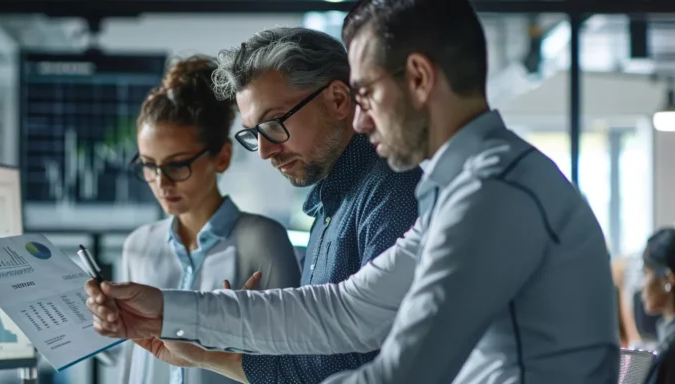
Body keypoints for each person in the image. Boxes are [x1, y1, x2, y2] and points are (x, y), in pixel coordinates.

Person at [84, 0, 619, 382]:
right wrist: (168, 310)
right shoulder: (462, 188)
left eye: (364, 93)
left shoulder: (493, 195)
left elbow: (399, 371)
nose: (360, 120)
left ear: (418, 79)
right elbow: (344, 310)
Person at [138, 27, 423, 383]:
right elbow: (312, 363)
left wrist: (225, 336)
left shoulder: (392, 193)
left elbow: (363, 363)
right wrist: (222, 343)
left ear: (337, 99)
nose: (264, 150)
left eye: (273, 124)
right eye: (253, 133)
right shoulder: (329, 208)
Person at [112, 55, 302, 384]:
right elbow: (130, 363)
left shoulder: (263, 241)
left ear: (222, 157)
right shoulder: (137, 246)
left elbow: (290, 365)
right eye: (148, 165)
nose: (161, 182)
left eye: (176, 165)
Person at [641, 228, 675, 383]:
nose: (642, 285)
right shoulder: (666, 344)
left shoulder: (670, 358)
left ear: (668, 279)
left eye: (646, 273)